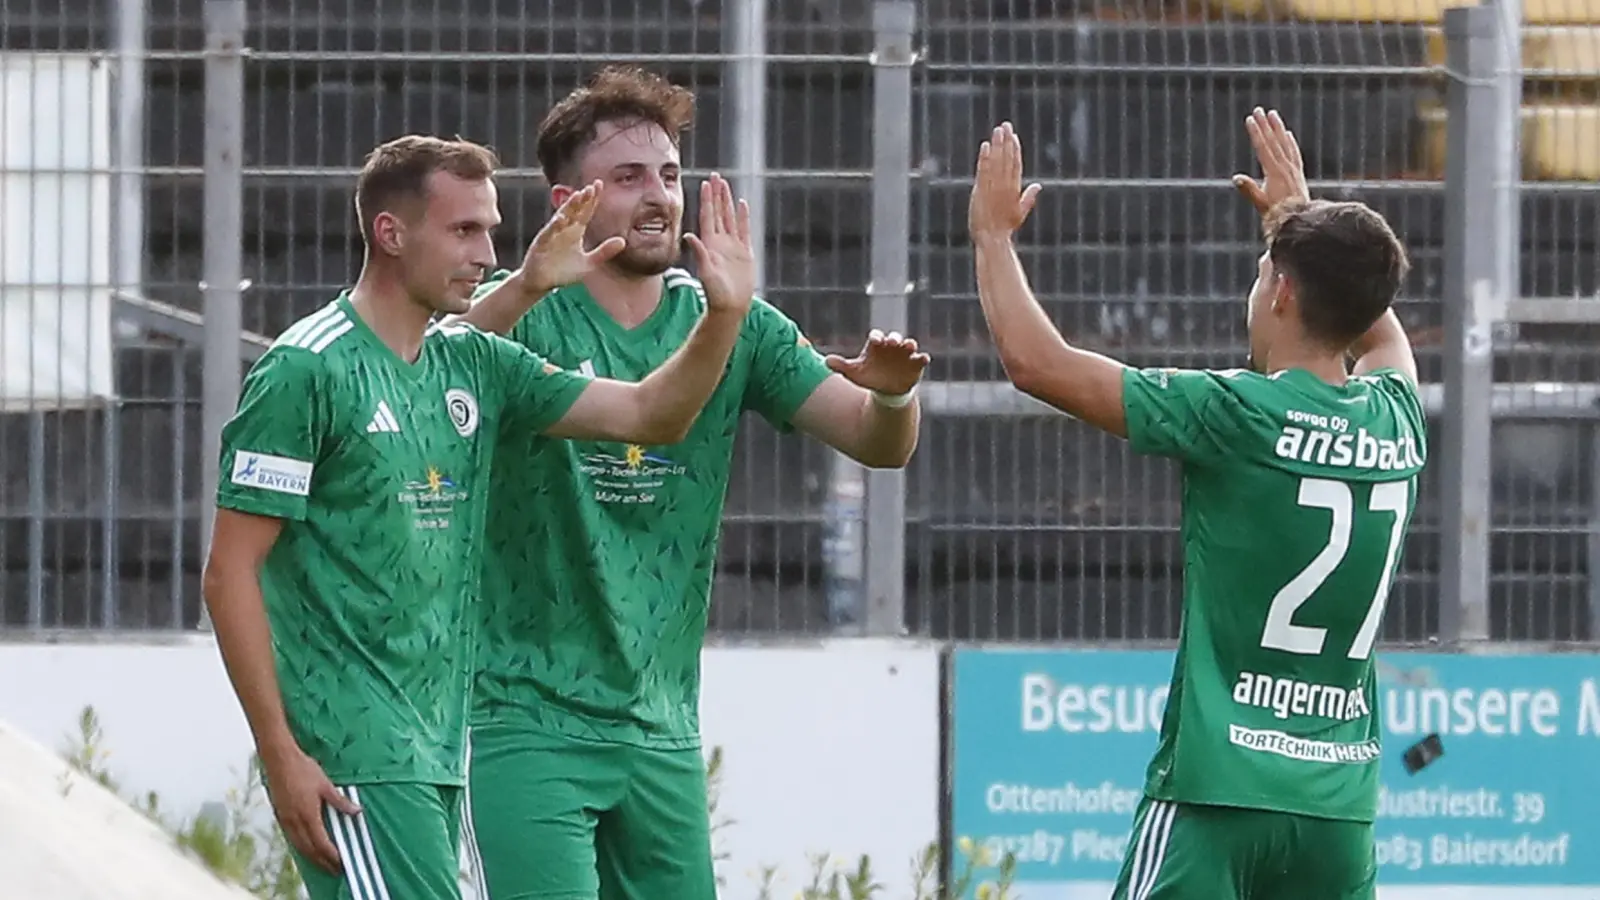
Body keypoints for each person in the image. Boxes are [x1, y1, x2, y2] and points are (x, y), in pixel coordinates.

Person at [201, 133, 757, 900]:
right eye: (465, 230)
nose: (486, 251)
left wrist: (725, 312)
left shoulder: (471, 362)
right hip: (355, 756)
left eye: (492, 229)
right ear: (391, 234)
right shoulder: (308, 369)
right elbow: (229, 572)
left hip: (436, 752)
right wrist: (280, 752)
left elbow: (651, 414)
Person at [452, 65, 930, 900]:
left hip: (661, 735)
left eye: (669, 175)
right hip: (524, 722)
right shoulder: (517, 309)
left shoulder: (732, 319)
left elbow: (876, 442)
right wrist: (525, 283)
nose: (659, 196)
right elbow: (426, 367)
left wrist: (895, 392)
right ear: (570, 199)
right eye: (629, 176)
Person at [966, 109, 1425, 899]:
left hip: (1215, 796)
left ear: (1281, 292)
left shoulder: (1239, 413)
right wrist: (1301, 221)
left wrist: (991, 238)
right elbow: (1377, 332)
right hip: (1337, 816)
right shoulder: (1398, 418)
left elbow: (1038, 364)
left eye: (1260, 275)